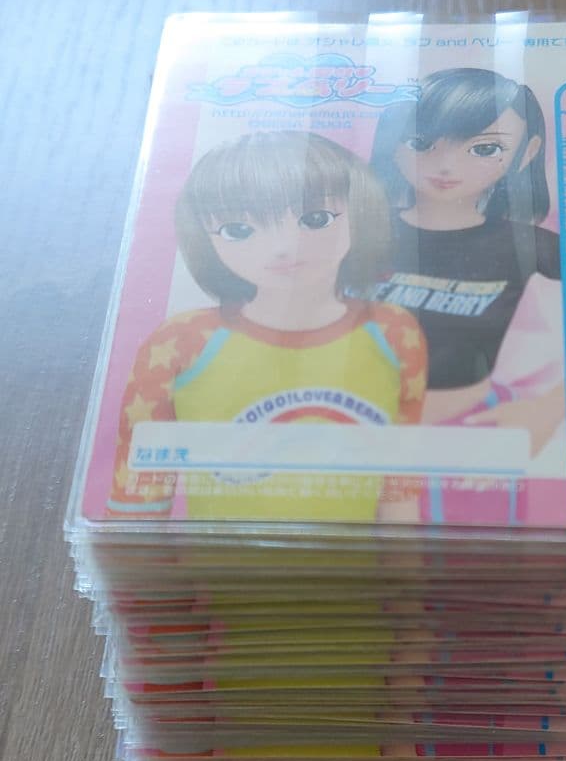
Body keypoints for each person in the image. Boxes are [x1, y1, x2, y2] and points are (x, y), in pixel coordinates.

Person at [107, 130, 427, 523]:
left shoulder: (394, 331)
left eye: (315, 219)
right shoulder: (181, 342)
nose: (283, 247)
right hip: (217, 562)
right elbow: (138, 498)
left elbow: (398, 488)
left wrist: (405, 563)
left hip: (356, 561)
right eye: (239, 230)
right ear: (204, 237)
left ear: (361, 215)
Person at [365, 68, 566, 522]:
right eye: (422, 142)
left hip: (470, 435)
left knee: (464, 560)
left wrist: (548, 409)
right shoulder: (354, 233)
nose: (446, 166)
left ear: (527, 151)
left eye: (484, 148)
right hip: (351, 428)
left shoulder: (530, 246)